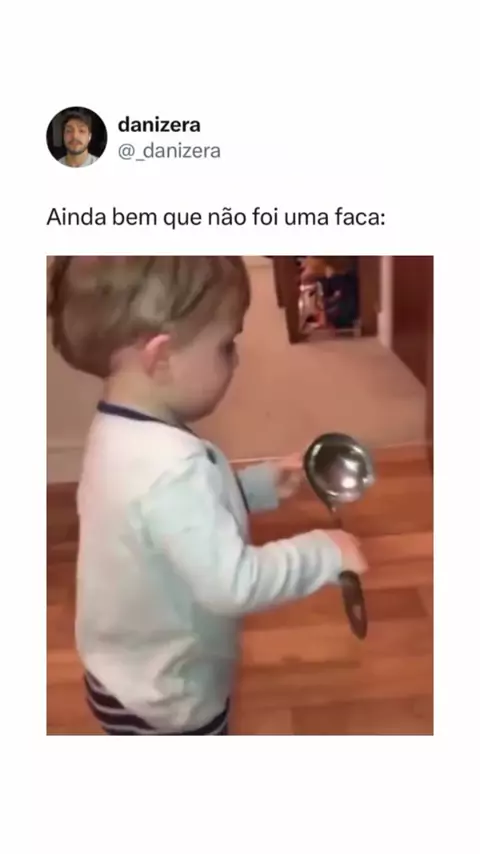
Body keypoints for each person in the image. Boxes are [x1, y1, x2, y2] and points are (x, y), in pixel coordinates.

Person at [47, 256, 367, 735]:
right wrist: (324, 553)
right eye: (226, 345)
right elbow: (232, 583)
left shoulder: (121, 430)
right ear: (161, 357)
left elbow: (171, 524)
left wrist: (255, 487)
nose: (236, 359)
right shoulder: (173, 468)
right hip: (170, 694)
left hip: (124, 672)